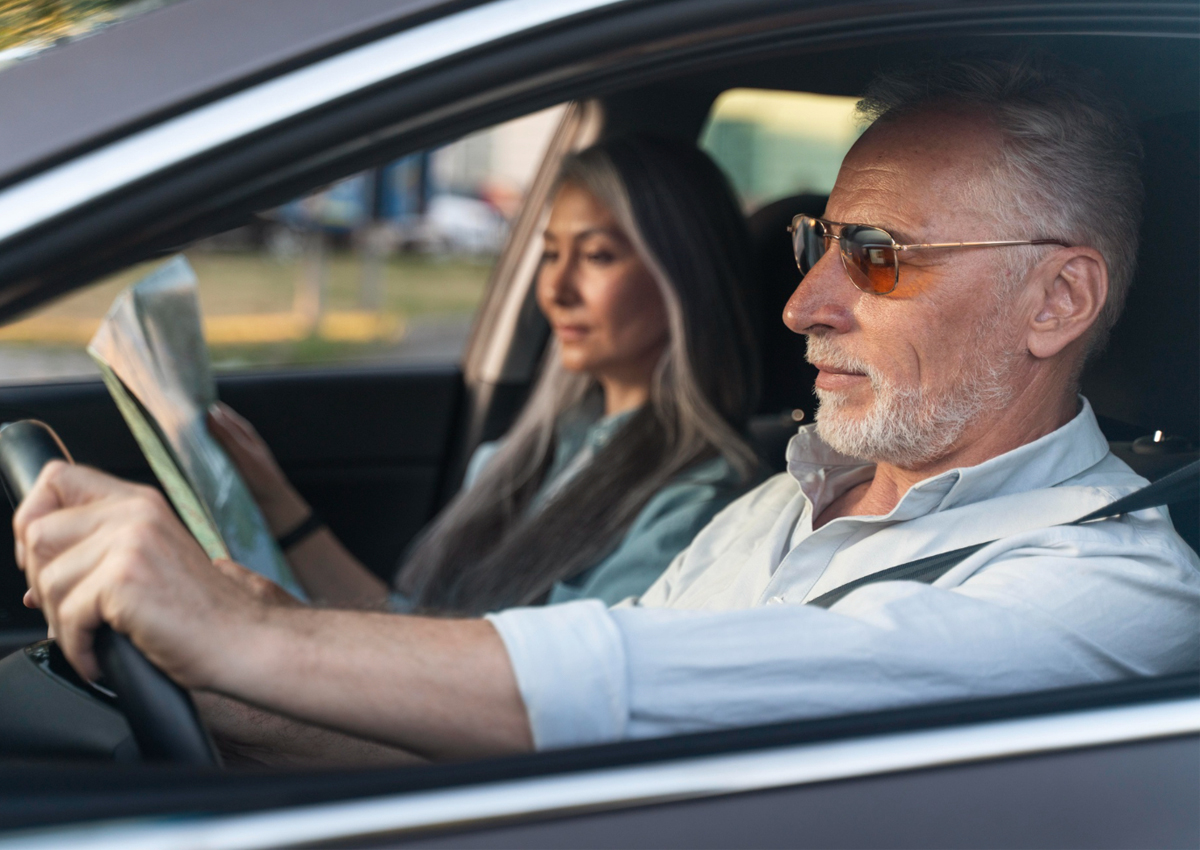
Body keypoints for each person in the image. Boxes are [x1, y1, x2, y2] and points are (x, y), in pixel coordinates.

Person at [14, 53, 1200, 762]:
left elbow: (644, 684)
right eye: (817, 243)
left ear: (1058, 299)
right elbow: (510, 737)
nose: (802, 303)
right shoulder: (771, 509)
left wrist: (252, 632)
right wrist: (206, 685)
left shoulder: (1117, 592)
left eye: (878, 255)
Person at [208, 135, 763, 614]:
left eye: (596, 257)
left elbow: (546, 696)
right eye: (549, 254)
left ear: (684, 278)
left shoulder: (698, 502)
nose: (557, 289)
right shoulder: (529, 453)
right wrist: (274, 500)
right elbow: (417, 632)